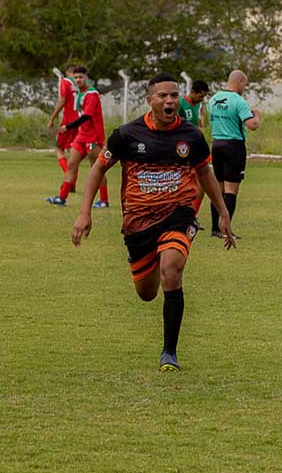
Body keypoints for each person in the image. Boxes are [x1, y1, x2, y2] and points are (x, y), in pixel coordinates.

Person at [72, 73, 236, 370]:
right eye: (163, 95)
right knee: (147, 293)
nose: (170, 100)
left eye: (174, 95)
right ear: (150, 101)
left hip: (179, 214)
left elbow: (205, 174)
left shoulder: (192, 136)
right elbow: (98, 169)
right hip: (139, 222)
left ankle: (169, 352)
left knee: (171, 270)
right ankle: (147, 264)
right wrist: (85, 212)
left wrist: (222, 212)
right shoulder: (127, 135)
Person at [46, 67, 110, 208]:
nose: (78, 80)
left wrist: (68, 126)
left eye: (81, 77)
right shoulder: (81, 93)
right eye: (76, 78)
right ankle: (62, 198)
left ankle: (104, 200)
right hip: (81, 136)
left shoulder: (92, 94)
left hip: (93, 137)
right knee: (71, 165)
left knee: (97, 169)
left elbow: (87, 116)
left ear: (86, 77)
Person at [208, 70, 259, 238]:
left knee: (218, 189)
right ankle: (225, 229)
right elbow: (252, 125)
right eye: (245, 84)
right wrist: (256, 116)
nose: (244, 87)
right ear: (240, 82)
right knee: (231, 190)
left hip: (216, 144)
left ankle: (215, 229)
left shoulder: (213, 99)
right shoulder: (239, 101)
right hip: (233, 146)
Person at [180, 80, 210, 216]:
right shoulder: (180, 104)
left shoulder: (199, 106)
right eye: (200, 96)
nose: (201, 99)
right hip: (181, 151)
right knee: (183, 185)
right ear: (193, 92)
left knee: (201, 185)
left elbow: (198, 126)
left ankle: (192, 216)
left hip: (195, 149)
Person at [47, 65, 78, 175]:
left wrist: (52, 118)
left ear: (67, 73)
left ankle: (68, 177)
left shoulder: (65, 81)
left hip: (68, 121)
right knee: (74, 153)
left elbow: (62, 100)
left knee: (59, 148)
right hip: (80, 122)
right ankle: (72, 181)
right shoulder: (81, 85)